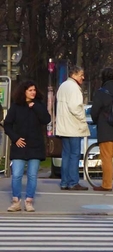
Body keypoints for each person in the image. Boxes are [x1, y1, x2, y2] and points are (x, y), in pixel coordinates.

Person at [4, 80, 51, 212]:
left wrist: (34, 106)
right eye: (30, 90)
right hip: (20, 145)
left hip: (35, 145)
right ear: (24, 91)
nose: (33, 92)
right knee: (17, 174)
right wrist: (15, 138)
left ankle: (29, 201)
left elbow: (46, 119)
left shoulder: (39, 105)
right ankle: (16, 201)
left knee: (32, 175)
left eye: (34, 90)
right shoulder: (16, 107)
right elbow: (7, 124)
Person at [56, 65, 90, 191]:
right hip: (74, 126)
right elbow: (75, 107)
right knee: (74, 155)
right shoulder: (74, 88)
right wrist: (82, 118)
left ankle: (64, 182)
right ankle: (73, 182)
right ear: (74, 75)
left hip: (64, 126)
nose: (83, 77)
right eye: (81, 75)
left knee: (66, 154)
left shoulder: (63, 86)